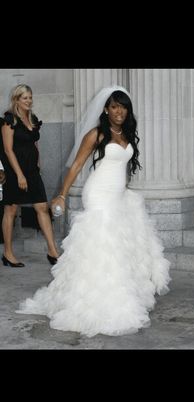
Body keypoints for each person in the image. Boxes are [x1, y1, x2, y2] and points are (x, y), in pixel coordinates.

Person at [17, 85, 171, 337]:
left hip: (119, 196)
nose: (119, 111)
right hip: (99, 194)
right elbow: (76, 165)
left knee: (121, 245)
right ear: (106, 110)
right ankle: (100, 299)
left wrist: (124, 192)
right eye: (114, 106)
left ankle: (121, 289)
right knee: (103, 244)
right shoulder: (97, 134)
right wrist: (62, 195)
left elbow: (122, 166)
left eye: (123, 106)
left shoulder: (127, 133)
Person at [0, 84, 59, 268]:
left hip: (32, 170)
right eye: (25, 98)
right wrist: (19, 175)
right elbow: (8, 150)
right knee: (11, 210)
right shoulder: (9, 120)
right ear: (16, 99)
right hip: (15, 171)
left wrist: (38, 162)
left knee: (42, 206)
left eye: (30, 97)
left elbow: (34, 143)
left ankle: (53, 251)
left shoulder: (32, 118)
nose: (29, 101)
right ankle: (8, 254)